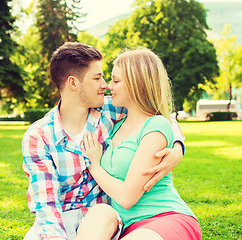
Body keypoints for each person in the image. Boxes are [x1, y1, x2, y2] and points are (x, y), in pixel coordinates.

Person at [22, 42, 185, 240]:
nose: (106, 85)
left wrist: (177, 147)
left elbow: (158, 118)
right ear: (73, 83)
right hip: (58, 223)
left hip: (103, 221)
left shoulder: (111, 109)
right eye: (97, 78)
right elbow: (46, 205)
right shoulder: (38, 136)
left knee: (101, 215)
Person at [78, 48, 201, 240]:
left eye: (116, 81)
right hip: (126, 226)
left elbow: (127, 198)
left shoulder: (156, 125)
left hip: (164, 218)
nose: (109, 86)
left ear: (137, 84)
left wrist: (94, 165)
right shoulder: (115, 124)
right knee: (98, 212)